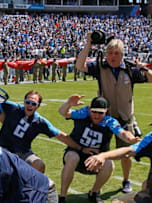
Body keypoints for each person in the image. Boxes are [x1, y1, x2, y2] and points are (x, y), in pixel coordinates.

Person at [76, 33, 152, 193]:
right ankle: (97, 187)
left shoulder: (130, 70)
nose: (112, 56)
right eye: (110, 53)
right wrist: (88, 43)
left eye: (116, 53)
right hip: (105, 117)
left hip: (125, 118)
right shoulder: (100, 67)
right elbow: (80, 65)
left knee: (126, 154)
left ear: (122, 55)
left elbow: (151, 79)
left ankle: (126, 180)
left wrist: (143, 69)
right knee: (101, 151)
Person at [58, 94, 140, 203]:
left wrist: (131, 139)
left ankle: (94, 192)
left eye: (100, 112)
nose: (96, 115)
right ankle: (62, 196)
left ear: (106, 111)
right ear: (89, 109)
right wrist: (68, 104)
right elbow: (63, 112)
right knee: (72, 157)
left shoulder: (109, 121)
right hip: (77, 153)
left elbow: (122, 133)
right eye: (94, 111)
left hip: (96, 159)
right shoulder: (83, 114)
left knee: (109, 164)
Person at [0, 90, 93, 173]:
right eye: (27, 102)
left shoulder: (39, 121)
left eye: (33, 104)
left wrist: (80, 148)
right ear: (24, 102)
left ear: (38, 106)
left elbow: (61, 136)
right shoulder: (13, 108)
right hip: (3, 149)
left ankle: (31, 191)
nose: (30, 105)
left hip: (23, 152)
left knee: (39, 165)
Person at [85, 131, 152, 202]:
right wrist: (103, 156)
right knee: (146, 187)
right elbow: (129, 151)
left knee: (145, 189)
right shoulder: (150, 138)